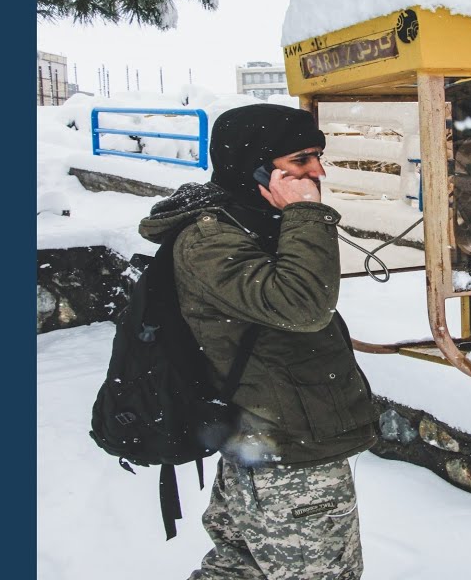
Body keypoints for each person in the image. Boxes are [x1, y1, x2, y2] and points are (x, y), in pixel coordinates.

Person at [137, 103, 378, 580]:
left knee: (238, 570)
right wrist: (307, 213)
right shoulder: (212, 239)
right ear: (256, 168)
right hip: (287, 453)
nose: (318, 172)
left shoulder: (252, 223)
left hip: (273, 441)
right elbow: (304, 306)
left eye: (318, 157)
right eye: (301, 160)